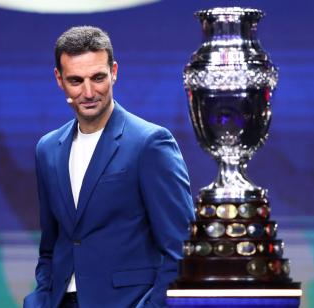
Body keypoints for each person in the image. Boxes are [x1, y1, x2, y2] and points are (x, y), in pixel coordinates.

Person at [23, 26, 195, 308]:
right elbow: (50, 247)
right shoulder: (48, 149)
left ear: (114, 71)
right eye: (76, 80)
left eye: (98, 77)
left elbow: (181, 248)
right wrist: (40, 298)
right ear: (59, 79)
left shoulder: (150, 143)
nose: (89, 92)